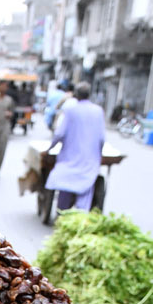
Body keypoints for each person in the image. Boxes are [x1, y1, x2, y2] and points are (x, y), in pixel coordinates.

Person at [45, 81, 105, 211]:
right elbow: (101, 138)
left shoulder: (70, 110)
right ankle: (81, 215)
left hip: (68, 160)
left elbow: (59, 134)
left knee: (64, 188)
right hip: (90, 162)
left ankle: (61, 213)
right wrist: (98, 156)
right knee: (85, 193)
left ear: (76, 95)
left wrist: (49, 150)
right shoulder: (98, 111)